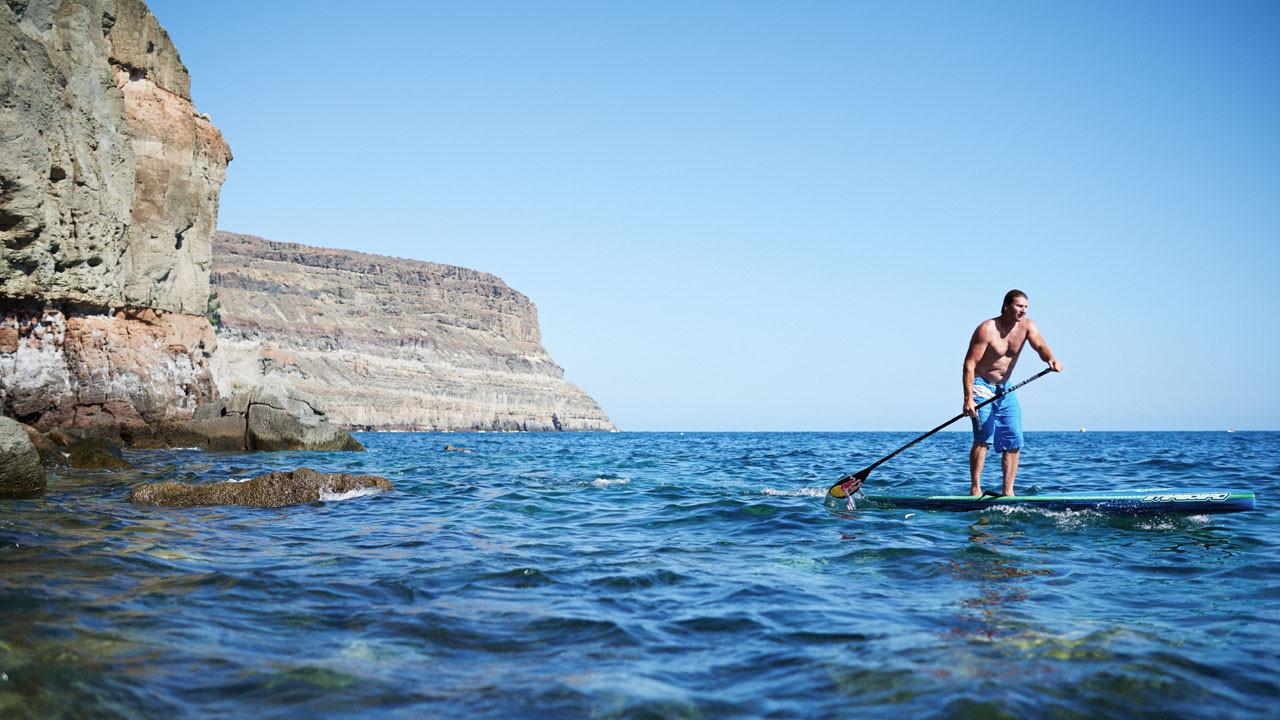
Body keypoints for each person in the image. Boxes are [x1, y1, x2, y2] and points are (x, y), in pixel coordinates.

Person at [962, 290, 1062, 497]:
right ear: (1006, 306)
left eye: (1026, 307)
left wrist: (1050, 359)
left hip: (1005, 387)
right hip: (981, 385)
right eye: (1019, 306)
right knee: (984, 437)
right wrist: (968, 398)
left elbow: (1041, 346)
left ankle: (1008, 492)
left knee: (1013, 438)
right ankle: (975, 488)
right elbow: (969, 365)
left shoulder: (1027, 326)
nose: (1023, 310)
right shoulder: (987, 329)